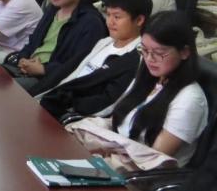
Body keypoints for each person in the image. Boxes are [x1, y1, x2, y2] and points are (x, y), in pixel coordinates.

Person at [78, 11, 207, 168]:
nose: (149, 59)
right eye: (144, 50)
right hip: (112, 158)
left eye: (159, 53)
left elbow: (152, 158)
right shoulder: (150, 78)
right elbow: (116, 120)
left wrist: (104, 152)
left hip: (138, 173)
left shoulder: (190, 99)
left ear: (184, 52)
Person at [36, 0, 152, 120]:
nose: (110, 22)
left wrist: (68, 107)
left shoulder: (137, 58)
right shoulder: (104, 42)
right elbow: (72, 73)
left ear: (139, 20)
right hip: (57, 98)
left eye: (117, 16)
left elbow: (108, 103)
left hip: (74, 115)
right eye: (108, 15)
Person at [3, 0, 108, 91]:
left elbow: (79, 65)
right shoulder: (53, 9)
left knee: (0, 88)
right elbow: (33, 41)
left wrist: (44, 69)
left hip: (51, 80)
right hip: (26, 68)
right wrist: (23, 58)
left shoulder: (91, 22)